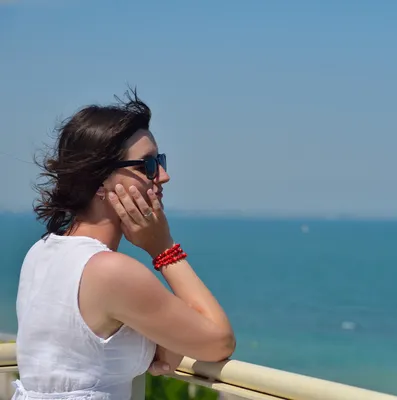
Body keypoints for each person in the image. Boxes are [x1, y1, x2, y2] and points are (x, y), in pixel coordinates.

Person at [12, 89, 236, 399]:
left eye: (160, 161)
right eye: (146, 164)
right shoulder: (109, 271)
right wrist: (163, 248)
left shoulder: (41, 253)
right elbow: (219, 341)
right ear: (100, 178)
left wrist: (163, 342)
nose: (163, 176)